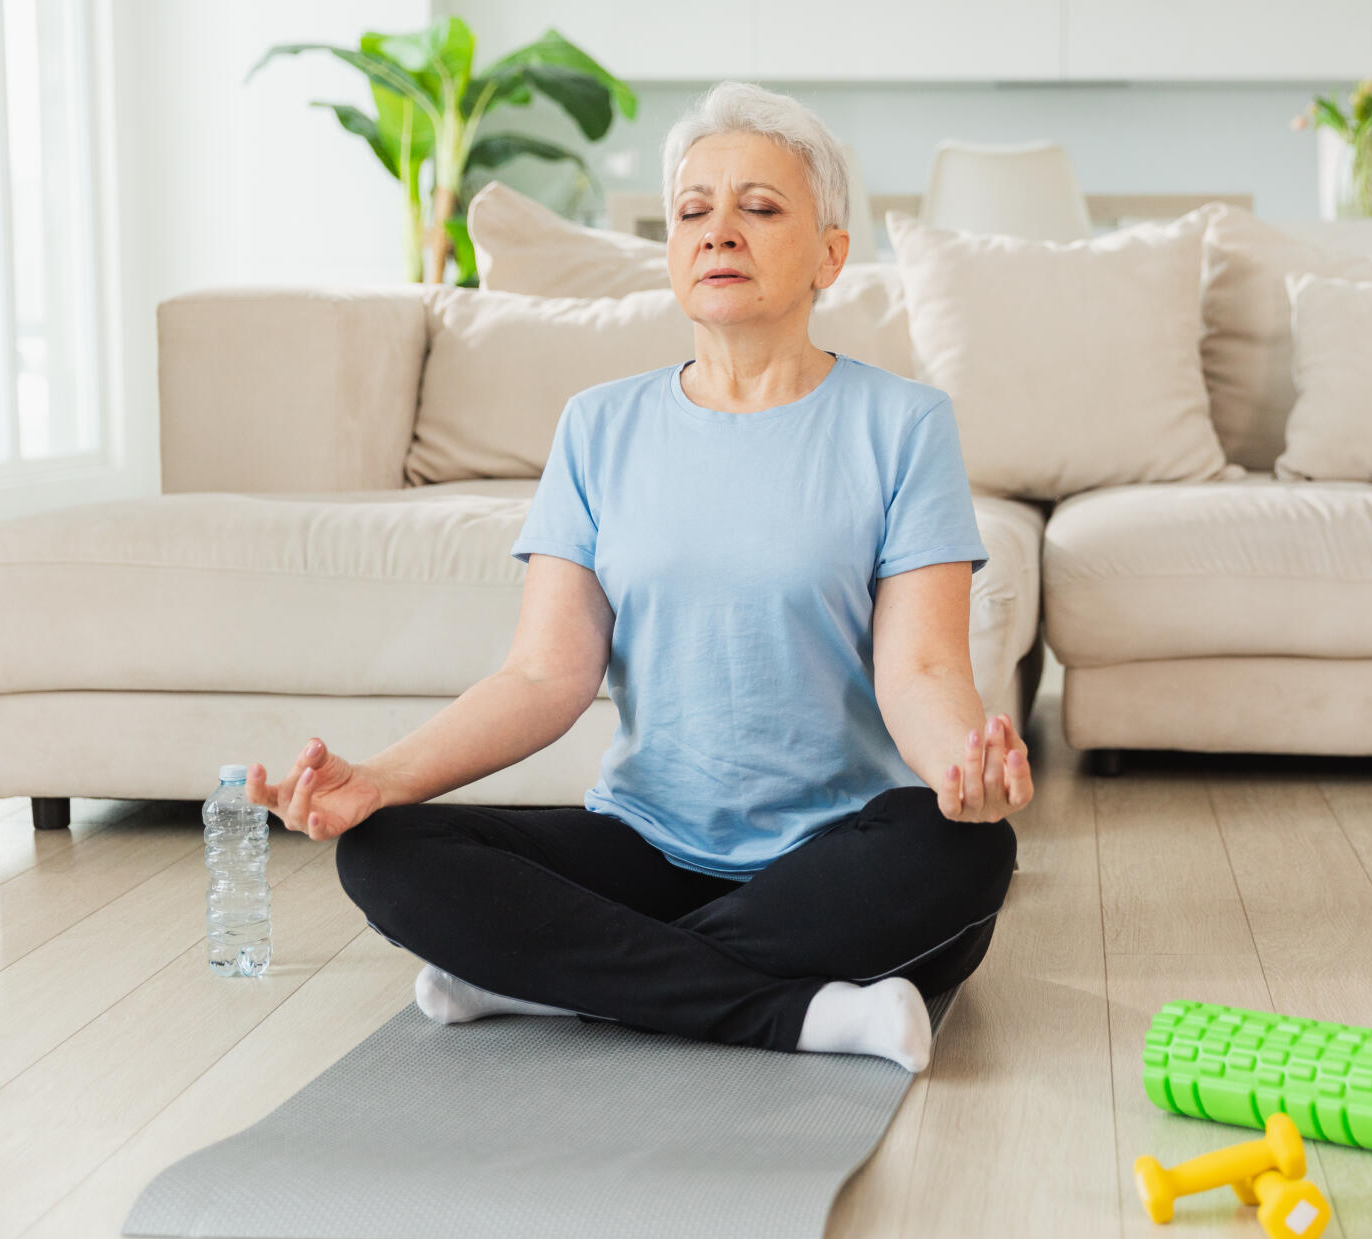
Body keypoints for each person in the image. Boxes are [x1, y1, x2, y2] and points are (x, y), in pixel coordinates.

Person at [244, 81, 1032, 1073]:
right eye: (693, 212)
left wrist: (966, 772)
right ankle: (803, 1014)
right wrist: (382, 779)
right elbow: (543, 676)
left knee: (966, 855)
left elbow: (917, 668)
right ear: (670, 253)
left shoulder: (903, 425)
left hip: (833, 861)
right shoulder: (598, 425)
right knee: (384, 851)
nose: (718, 234)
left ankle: (539, 977)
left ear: (830, 253)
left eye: (759, 208)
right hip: (647, 852)